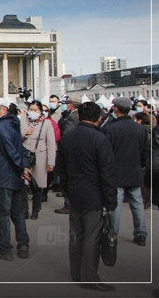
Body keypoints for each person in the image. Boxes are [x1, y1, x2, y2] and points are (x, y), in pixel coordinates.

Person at [57, 102, 117, 292]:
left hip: (75, 192)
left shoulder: (68, 137)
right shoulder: (99, 139)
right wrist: (111, 199)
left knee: (77, 234)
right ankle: (89, 277)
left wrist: (67, 190)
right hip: (94, 194)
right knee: (92, 237)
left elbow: (61, 169)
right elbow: (107, 172)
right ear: (99, 118)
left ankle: (77, 272)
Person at [0, 98, 31, 261]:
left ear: (3, 110)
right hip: (15, 176)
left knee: (3, 213)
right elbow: (20, 148)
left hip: (4, 175)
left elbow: (10, 150)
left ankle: (5, 248)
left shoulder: (3, 126)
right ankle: (23, 244)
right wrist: (23, 167)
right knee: (17, 212)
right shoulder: (13, 124)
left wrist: (21, 167)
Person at [106, 97, 150, 246]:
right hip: (134, 171)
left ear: (116, 109)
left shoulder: (111, 129)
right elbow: (145, 152)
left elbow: (107, 153)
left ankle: (113, 234)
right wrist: (140, 165)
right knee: (137, 203)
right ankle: (141, 233)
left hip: (116, 173)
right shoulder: (139, 129)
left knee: (116, 205)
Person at [20, 100, 55, 220]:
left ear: (40, 112)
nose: (33, 112)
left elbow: (51, 143)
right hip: (25, 154)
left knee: (37, 185)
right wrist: (25, 133)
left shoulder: (47, 123)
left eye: (35, 110)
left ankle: (36, 209)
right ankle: (24, 209)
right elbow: (16, 138)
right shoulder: (23, 120)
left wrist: (51, 162)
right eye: (31, 109)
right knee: (23, 184)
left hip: (40, 155)